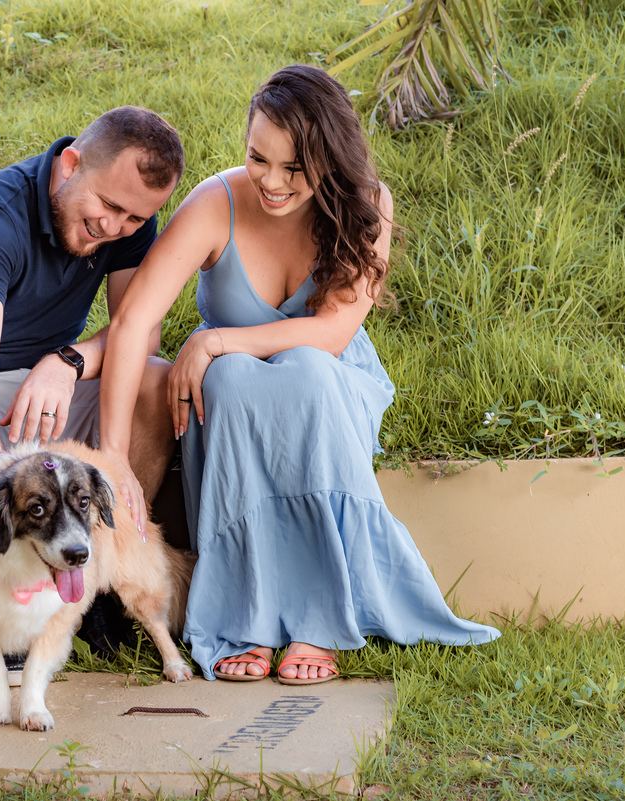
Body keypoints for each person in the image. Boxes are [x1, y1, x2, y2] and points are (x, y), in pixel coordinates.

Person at [98, 65, 500, 683]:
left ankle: (318, 621)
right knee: (228, 379)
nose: (273, 183)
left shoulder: (369, 206)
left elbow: (331, 335)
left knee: (305, 368)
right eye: (259, 158)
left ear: (329, 160)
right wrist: (114, 456)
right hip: (234, 401)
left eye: (295, 169)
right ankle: (245, 615)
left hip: (330, 388)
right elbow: (131, 326)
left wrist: (216, 338)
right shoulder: (216, 203)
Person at [0, 107, 185, 674]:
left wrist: (66, 362)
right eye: (110, 207)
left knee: (156, 378)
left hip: (43, 398)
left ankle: (101, 588)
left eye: (136, 218)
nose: (116, 227)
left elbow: (137, 333)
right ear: (70, 165)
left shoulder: (126, 223)